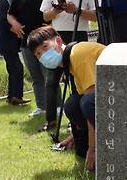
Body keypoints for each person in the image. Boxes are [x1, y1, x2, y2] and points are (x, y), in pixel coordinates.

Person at [27, 25, 105, 170]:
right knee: (72, 104)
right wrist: (74, 136)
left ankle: (103, 149)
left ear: (58, 40)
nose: (42, 55)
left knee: (86, 102)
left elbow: (93, 105)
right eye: (38, 54)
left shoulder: (78, 55)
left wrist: (93, 149)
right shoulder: (70, 62)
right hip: (112, 95)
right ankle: (84, 144)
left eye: (44, 47)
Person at [40, 0, 98, 131]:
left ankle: (78, 121)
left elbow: (96, 15)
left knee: (77, 81)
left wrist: (77, 11)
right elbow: (45, 16)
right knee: (51, 81)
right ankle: (50, 120)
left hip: (79, 35)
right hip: (56, 37)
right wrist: (57, 10)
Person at [8, 0, 53, 118]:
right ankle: (41, 106)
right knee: (36, 77)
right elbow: (10, 14)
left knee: (50, 76)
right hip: (26, 44)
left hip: (46, 43)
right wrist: (14, 23)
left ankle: (57, 105)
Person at [0, 0, 30, 105]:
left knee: (13, 69)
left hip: (11, 43)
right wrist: (17, 31)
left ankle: (13, 97)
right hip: (6, 42)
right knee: (17, 68)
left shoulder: (12, 2)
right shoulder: (5, 1)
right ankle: (16, 97)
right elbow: (3, 22)